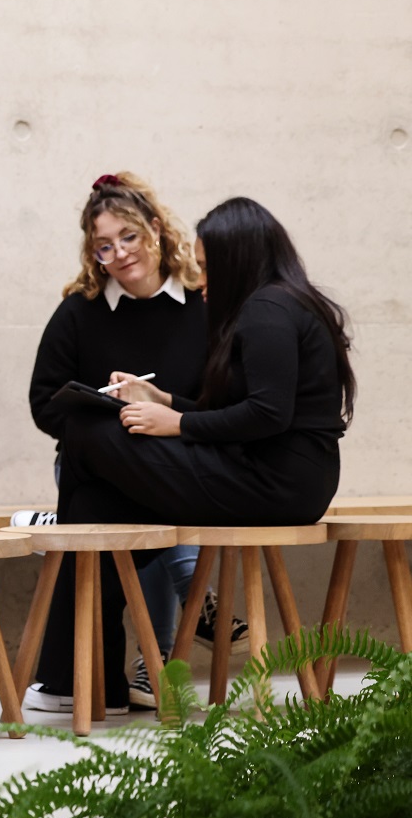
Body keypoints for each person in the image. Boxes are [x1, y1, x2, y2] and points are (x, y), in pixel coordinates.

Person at [43, 196, 352, 711]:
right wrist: (163, 401)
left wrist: (177, 423)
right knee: (98, 502)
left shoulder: (267, 311)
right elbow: (249, 413)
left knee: (86, 434)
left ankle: (73, 676)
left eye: (208, 267)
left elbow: (267, 415)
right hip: (272, 477)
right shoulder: (279, 303)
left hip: (274, 485)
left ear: (237, 260)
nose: (201, 278)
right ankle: (94, 683)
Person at [24, 172, 237, 714]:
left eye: (128, 237)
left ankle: (124, 667)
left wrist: (163, 408)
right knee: (120, 479)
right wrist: (108, 405)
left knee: (132, 490)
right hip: (95, 462)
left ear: (156, 231)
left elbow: (222, 403)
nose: (118, 254)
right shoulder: (80, 309)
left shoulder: (202, 304)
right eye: (103, 246)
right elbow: (45, 403)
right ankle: (187, 606)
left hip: (183, 458)